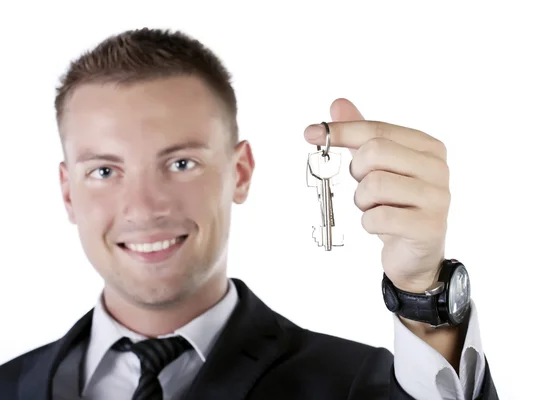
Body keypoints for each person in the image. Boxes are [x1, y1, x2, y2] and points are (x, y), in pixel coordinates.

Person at [0, 28, 498, 400]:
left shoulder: (354, 383)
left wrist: (423, 294)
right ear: (67, 192)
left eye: (180, 163)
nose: (144, 207)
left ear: (239, 173)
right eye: (105, 171)